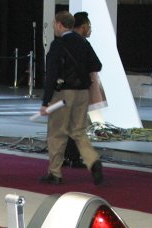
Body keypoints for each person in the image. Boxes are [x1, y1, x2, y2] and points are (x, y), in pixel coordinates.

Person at [40, 11, 104, 186]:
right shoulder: (83, 42)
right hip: (83, 93)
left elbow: (51, 74)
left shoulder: (58, 45)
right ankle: (93, 161)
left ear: (60, 24)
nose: (54, 27)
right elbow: (97, 65)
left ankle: (55, 173)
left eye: (54, 24)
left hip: (63, 94)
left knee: (57, 133)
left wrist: (45, 102)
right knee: (79, 131)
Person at [63, 12, 91, 168]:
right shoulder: (83, 44)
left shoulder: (61, 42)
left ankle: (62, 157)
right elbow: (96, 64)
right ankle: (74, 157)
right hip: (78, 90)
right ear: (83, 26)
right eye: (89, 26)